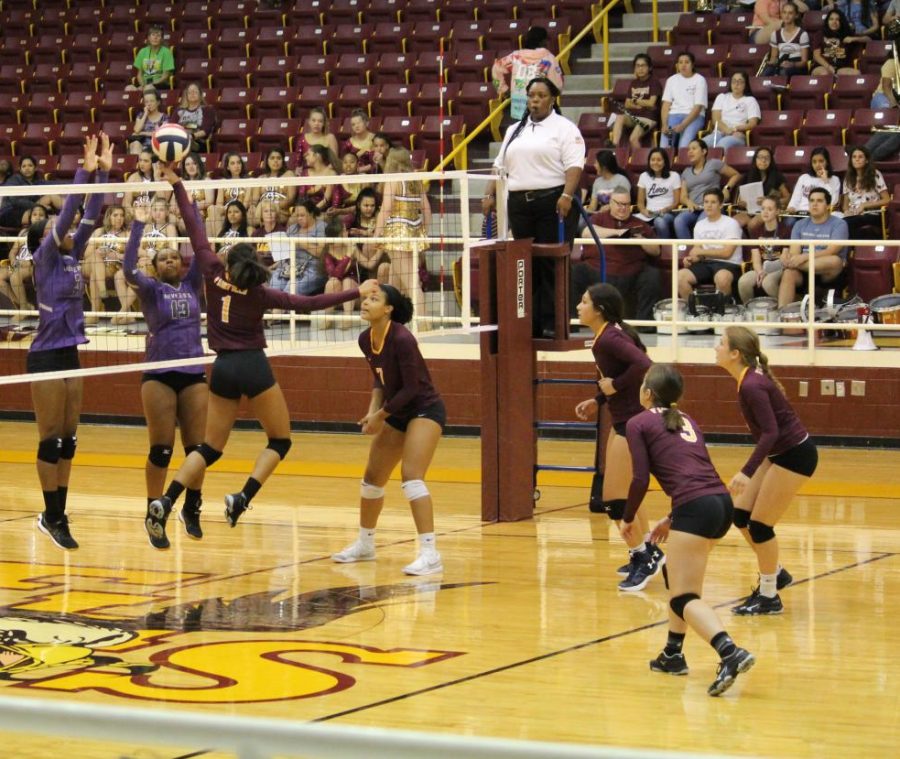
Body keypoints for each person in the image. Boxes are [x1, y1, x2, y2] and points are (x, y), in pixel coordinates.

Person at [147, 163, 379, 547]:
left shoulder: (211, 271)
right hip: (253, 364)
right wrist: (356, 291)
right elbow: (311, 302)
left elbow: (194, 227)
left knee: (208, 448)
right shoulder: (262, 293)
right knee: (280, 441)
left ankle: (166, 501)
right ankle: (242, 497)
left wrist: (178, 185)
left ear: (228, 261)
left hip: (221, 367)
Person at [624, 364, 755, 696]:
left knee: (684, 597)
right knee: (675, 576)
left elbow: (640, 478)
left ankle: (729, 652)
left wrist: (628, 518)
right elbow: (694, 469)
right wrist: (672, 517)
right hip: (720, 503)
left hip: (696, 507)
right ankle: (672, 653)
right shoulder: (687, 420)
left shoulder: (637, 423)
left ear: (648, 393)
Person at [27, 134, 111, 550]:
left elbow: (90, 214)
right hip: (44, 355)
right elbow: (70, 213)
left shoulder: (71, 255)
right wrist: (85, 170)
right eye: (54, 228)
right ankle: (53, 515)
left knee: (69, 440)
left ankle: (55, 514)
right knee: (50, 438)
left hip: (70, 351)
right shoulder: (45, 256)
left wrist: (105, 172)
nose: (65, 228)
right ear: (43, 237)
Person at [332, 284, 445, 575]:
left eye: (374, 299)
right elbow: (380, 381)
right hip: (396, 409)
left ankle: (430, 554)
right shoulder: (365, 339)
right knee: (372, 479)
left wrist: (381, 416)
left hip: (423, 408)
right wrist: (372, 412)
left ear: (388, 309)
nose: (366, 302)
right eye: (365, 298)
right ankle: (365, 544)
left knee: (411, 478)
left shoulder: (403, 339)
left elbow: (411, 388)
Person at [715, 326, 818, 614]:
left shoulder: (752, 385)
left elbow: (770, 433)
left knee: (760, 526)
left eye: (720, 343)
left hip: (795, 455)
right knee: (741, 516)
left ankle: (770, 596)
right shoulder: (746, 380)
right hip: (778, 453)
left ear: (735, 354)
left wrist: (746, 471)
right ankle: (777, 572)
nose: (716, 348)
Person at [123, 202, 208, 546]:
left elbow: (202, 248)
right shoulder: (150, 290)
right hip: (158, 372)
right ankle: (152, 514)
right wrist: (139, 226)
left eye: (175, 257)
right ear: (156, 269)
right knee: (161, 449)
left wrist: (195, 216)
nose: (171, 260)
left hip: (193, 370)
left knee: (198, 449)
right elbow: (129, 269)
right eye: (164, 259)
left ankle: (192, 507)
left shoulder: (192, 284)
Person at [574, 283, 665, 592]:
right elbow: (618, 374)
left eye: (584, 301)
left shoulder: (609, 337)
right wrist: (599, 399)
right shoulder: (606, 335)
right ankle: (647, 550)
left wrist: (617, 385)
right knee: (624, 493)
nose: (578, 306)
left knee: (613, 499)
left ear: (599, 309)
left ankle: (643, 557)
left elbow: (645, 365)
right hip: (622, 418)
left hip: (632, 421)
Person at [483, 76, 585, 338]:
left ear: (552, 99)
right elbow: (499, 165)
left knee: (551, 261)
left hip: (552, 202)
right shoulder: (514, 129)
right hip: (518, 203)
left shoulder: (565, 128)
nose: (535, 100)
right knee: (525, 264)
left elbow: (575, 165)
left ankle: (555, 322)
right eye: (531, 96)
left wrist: (566, 194)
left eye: (540, 95)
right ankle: (531, 323)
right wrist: (489, 194)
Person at [578, 190, 661, 324]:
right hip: (598, 269)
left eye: (627, 205)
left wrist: (640, 240)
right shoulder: (598, 218)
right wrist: (619, 233)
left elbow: (656, 250)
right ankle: (574, 323)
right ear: (611, 203)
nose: (623, 208)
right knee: (574, 272)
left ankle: (645, 325)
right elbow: (586, 233)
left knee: (652, 275)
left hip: (632, 271)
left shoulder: (640, 224)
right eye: (620, 204)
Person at [375, 147, 432, 327]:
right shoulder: (416, 180)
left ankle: (424, 323)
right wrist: (422, 233)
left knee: (411, 282)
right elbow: (427, 211)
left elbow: (386, 209)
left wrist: (377, 233)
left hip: (397, 234)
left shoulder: (393, 180)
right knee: (395, 281)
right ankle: (394, 322)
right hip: (413, 233)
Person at [779, 187, 848, 306]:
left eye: (819, 201)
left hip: (827, 272)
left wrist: (804, 257)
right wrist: (792, 258)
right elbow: (794, 251)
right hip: (804, 271)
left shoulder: (839, 224)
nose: (814, 204)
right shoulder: (799, 224)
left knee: (835, 260)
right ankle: (783, 315)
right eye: (811, 200)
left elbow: (832, 250)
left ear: (828, 205)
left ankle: (790, 264)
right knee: (788, 273)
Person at [678, 189, 744, 299]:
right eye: (706, 202)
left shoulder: (731, 223)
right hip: (706, 263)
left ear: (721, 205)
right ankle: (695, 312)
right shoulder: (699, 225)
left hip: (729, 264)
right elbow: (697, 252)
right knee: (679, 277)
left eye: (713, 202)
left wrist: (702, 252)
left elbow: (727, 253)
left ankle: (723, 311)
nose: (709, 205)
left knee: (722, 278)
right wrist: (691, 259)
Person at [491, 26, 565, 120]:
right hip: (541, 106)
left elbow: (495, 68)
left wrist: (503, 90)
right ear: (543, 41)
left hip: (519, 106)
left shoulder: (515, 56)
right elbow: (558, 84)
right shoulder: (549, 58)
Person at [674, 139, 741, 240]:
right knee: (679, 221)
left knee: (701, 223)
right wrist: (688, 202)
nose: (690, 152)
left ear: (704, 151)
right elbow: (683, 196)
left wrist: (726, 188)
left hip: (712, 206)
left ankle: (700, 253)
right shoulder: (686, 172)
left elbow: (736, 175)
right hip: (695, 208)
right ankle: (688, 252)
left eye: (694, 148)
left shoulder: (714, 163)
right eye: (689, 149)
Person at [737, 194, 791, 303]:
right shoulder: (755, 231)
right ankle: (750, 311)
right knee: (743, 282)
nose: (765, 212)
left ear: (777, 211)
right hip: (763, 268)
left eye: (770, 209)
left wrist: (769, 271)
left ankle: (785, 308)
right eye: (763, 209)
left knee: (768, 283)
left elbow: (785, 256)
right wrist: (760, 271)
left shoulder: (786, 230)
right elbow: (756, 258)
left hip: (780, 268)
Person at [82, 204, 129, 323]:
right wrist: (99, 251)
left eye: (122, 215)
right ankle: (103, 291)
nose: (119, 218)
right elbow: (86, 254)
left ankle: (95, 313)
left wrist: (117, 255)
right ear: (108, 217)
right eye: (115, 215)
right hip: (91, 262)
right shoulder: (99, 232)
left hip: (112, 266)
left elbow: (132, 256)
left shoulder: (127, 234)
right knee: (95, 256)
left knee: (95, 275)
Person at [732, 147, 790, 232]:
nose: (763, 160)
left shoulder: (777, 176)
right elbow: (740, 200)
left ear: (771, 161)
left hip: (767, 211)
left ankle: (752, 244)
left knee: (752, 225)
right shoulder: (748, 176)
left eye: (766, 158)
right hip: (750, 211)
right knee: (732, 223)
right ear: (755, 159)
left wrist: (768, 200)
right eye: (760, 157)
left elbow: (787, 198)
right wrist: (742, 203)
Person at [609, 54, 660, 149]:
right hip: (634, 116)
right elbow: (627, 104)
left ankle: (640, 162)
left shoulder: (654, 82)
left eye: (643, 65)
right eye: (637, 66)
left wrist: (635, 100)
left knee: (633, 138)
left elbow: (651, 103)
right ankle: (613, 146)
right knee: (619, 117)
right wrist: (639, 104)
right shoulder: (634, 83)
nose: (640, 69)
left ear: (649, 68)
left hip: (648, 118)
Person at [659, 52, 708, 150]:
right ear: (677, 65)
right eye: (680, 62)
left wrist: (683, 125)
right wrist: (664, 124)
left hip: (694, 117)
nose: (683, 65)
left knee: (684, 146)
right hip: (673, 115)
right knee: (664, 146)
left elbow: (698, 107)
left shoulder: (700, 80)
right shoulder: (671, 80)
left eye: (687, 62)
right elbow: (666, 105)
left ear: (692, 65)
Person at [703, 72, 761, 151]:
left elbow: (752, 123)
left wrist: (737, 128)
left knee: (721, 145)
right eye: (734, 81)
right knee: (701, 144)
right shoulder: (721, 97)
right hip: (719, 132)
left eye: (740, 81)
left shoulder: (750, 100)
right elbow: (715, 119)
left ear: (745, 84)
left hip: (737, 134)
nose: (736, 84)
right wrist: (727, 130)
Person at [841, 145, 888, 240]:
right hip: (853, 215)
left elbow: (886, 200)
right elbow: (845, 204)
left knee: (846, 224)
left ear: (866, 160)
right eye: (854, 157)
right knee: (840, 224)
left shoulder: (875, 174)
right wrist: (847, 211)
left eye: (860, 157)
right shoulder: (848, 178)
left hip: (872, 213)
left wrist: (865, 205)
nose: (857, 159)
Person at [0, 156, 61, 230]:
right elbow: (15, 201)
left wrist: (74, 183)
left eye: (30, 165)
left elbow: (55, 184)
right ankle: (58, 222)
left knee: (52, 196)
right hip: (9, 212)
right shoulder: (13, 179)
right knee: (37, 214)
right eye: (24, 166)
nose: (27, 168)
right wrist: (38, 206)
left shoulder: (38, 181)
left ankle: (72, 213)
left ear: (35, 168)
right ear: (20, 169)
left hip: (30, 208)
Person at [636, 148, 681, 240]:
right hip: (649, 213)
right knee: (628, 221)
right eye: (652, 160)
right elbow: (640, 203)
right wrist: (644, 211)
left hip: (668, 213)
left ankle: (665, 250)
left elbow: (676, 202)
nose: (655, 162)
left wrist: (665, 210)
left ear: (665, 162)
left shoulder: (674, 176)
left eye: (659, 160)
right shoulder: (644, 176)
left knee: (659, 222)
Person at [321, 218, 357, 329]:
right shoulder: (327, 252)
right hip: (335, 293)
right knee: (332, 282)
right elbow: (335, 274)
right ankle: (328, 318)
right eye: (344, 231)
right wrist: (348, 256)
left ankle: (348, 319)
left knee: (347, 281)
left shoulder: (352, 246)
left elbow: (369, 264)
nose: (347, 233)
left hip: (354, 294)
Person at [785, 147, 842, 217]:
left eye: (821, 161)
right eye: (814, 162)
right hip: (801, 214)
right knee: (788, 222)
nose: (817, 165)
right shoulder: (804, 177)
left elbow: (833, 201)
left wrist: (826, 181)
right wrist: (791, 208)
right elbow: (795, 199)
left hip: (821, 215)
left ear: (827, 162)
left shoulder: (834, 179)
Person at [250, 147, 296, 226]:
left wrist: (273, 206)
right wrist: (253, 206)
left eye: (278, 158)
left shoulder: (289, 175)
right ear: (267, 161)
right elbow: (255, 200)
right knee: (249, 215)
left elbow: (291, 198)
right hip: (262, 210)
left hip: (280, 211)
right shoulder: (261, 178)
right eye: (272, 158)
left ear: (283, 161)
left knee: (264, 210)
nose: (275, 161)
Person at [763, 3, 810, 79]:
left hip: (797, 66)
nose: (786, 16)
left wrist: (792, 64)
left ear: (796, 15)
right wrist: (770, 62)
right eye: (784, 12)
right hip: (781, 63)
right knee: (766, 73)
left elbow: (804, 62)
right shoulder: (775, 34)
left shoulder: (802, 34)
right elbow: (773, 58)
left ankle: (781, 90)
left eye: (790, 13)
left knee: (783, 71)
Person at [208, 152, 252, 231]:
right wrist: (227, 210)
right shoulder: (223, 182)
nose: (236, 166)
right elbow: (219, 204)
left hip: (240, 210)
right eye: (232, 163)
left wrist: (232, 210)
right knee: (212, 208)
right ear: (228, 167)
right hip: (226, 210)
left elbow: (245, 205)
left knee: (209, 221)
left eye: (238, 163)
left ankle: (219, 241)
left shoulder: (248, 182)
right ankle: (219, 241)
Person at [812, 9, 862, 75]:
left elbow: (868, 39)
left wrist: (853, 39)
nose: (834, 22)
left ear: (841, 22)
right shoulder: (820, 34)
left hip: (841, 68)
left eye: (837, 19)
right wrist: (828, 67)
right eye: (831, 19)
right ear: (827, 21)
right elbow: (816, 56)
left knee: (857, 73)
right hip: (822, 66)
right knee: (825, 73)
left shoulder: (846, 34)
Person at [172, 82, 217, 153]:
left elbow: (205, 130)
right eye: (190, 92)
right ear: (186, 95)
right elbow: (172, 127)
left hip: (197, 141)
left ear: (200, 94)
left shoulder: (207, 110)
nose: (192, 94)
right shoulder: (179, 111)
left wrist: (191, 136)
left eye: (195, 92)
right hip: (179, 140)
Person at [128, 24, 175, 91]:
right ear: (149, 38)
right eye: (153, 35)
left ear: (161, 39)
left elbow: (165, 76)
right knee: (129, 88)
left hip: (160, 84)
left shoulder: (166, 52)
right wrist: (143, 85)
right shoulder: (142, 51)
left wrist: (152, 84)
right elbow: (139, 74)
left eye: (158, 36)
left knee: (148, 88)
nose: (155, 38)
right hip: (145, 84)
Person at [584, 150, 631, 215]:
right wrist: (587, 211)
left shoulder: (622, 180)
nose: (594, 165)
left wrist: (610, 206)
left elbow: (624, 202)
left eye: (596, 163)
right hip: (601, 215)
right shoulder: (597, 182)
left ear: (604, 167)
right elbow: (593, 206)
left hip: (618, 214)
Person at [128, 88, 169, 155]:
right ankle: (137, 164)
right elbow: (136, 130)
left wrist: (143, 133)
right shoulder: (141, 115)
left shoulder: (164, 117)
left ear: (158, 102)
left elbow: (161, 134)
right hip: (142, 146)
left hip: (157, 146)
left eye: (152, 101)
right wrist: (145, 114)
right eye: (146, 102)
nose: (149, 104)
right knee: (135, 144)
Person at [341, 109, 376, 174]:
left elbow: (379, 162)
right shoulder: (348, 143)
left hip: (374, 175)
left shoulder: (375, 140)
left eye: (359, 123)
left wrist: (362, 169)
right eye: (353, 124)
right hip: (353, 175)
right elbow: (344, 162)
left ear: (367, 123)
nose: (356, 126)